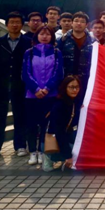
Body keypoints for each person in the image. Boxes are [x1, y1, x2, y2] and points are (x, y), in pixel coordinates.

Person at [0, 12, 32, 159]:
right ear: (7, 25)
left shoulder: (28, 42)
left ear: (22, 25)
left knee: (20, 116)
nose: (14, 25)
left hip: (20, 85)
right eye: (12, 22)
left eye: (17, 22)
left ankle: (20, 146)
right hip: (0, 85)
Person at [22, 26, 63, 166]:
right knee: (31, 124)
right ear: (37, 36)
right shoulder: (29, 53)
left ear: (52, 36)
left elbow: (58, 73)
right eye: (42, 34)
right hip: (32, 95)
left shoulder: (57, 52)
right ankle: (32, 152)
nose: (45, 37)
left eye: (48, 34)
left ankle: (42, 150)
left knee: (46, 124)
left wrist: (47, 89)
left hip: (50, 94)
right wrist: (36, 89)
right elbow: (26, 74)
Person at [43, 76, 81, 172]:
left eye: (77, 87)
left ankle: (64, 155)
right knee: (77, 153)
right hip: (53, 139)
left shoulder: (76, 102)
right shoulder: (59, 106)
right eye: (71, 87)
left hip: (68, 135)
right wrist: (68, 156)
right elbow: (59, 133)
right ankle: (49, 157)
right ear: (65, 88)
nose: (74, 90)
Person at [57, 12, 96, 101]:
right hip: (66, 80)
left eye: (82, 22)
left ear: (86, 24)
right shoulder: (62, 40)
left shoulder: (93, 42)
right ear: (72, 23)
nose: (79, 23)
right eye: (76, 21)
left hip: (86, 81)